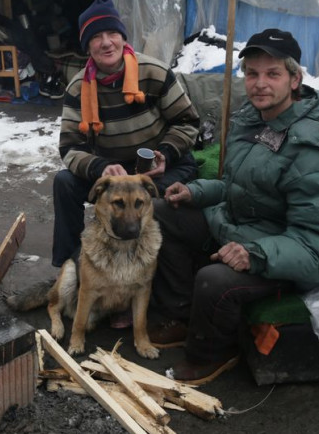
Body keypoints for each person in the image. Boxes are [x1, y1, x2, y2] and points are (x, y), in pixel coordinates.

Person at [148, 28, 319, 383]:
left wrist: (257, 254)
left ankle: (210, 354)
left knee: (213, 280)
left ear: (295, 79)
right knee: (162, 213)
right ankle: (184, 317)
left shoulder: (316, 148)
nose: (259, 84)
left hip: (289, 256)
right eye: (252, 73)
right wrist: (196, 192)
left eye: (272, 74)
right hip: (245, 228)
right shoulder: (254, 121)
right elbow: (239, 187)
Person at [53, 0, 200, 268]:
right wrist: (100, 168)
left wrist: (166, 153)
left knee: (163, 203)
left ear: (123, 37)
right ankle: (71, 266)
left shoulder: (153, 72)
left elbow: (187, 121)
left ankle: (159, 272)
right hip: (115, 173)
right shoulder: (78, 89)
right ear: (87, 46)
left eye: (112, 33)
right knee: (64, 183)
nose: (106, 43)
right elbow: (70, 148)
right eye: (96, 37)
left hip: (160, 167)